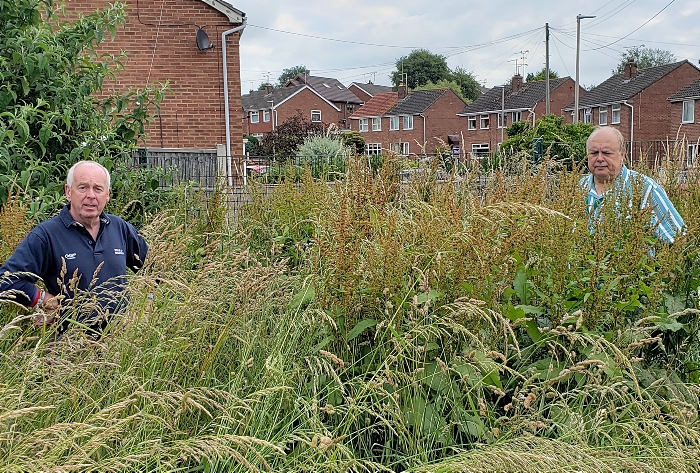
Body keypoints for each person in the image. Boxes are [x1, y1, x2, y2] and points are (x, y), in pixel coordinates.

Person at [0, 160, 148, 336]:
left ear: (107, 195)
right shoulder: (46, 235)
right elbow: (5, 281)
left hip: (122, 347)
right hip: (70, 351)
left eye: (98, 189)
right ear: (68, 192)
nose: (91, 195)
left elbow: (155, 269)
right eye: (83, 187)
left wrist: (147, 305)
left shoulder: (120, 228)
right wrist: (44, 300)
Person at [579, 126, 684, 245]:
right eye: (594, 153)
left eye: (606, 153)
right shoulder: (577, 188)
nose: (599, 159)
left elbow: (678, 238)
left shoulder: (645, 189)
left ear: (622, 155)